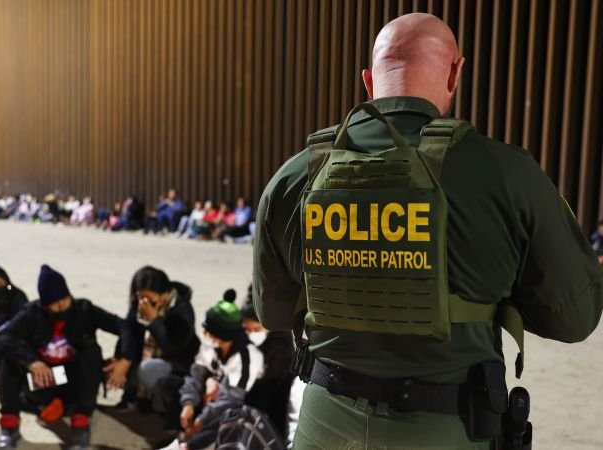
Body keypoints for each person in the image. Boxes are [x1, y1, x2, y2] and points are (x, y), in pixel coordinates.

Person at [253, 13, 603, 449]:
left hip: (323, 423)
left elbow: (272, 313)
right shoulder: (507, 173)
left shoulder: (293, 177)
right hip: (447, 425)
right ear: (456, 72)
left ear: (368, 81)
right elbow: (574, 319)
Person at [0, 265, 123, 450]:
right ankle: (9, 427)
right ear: (45, 305)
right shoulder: (32, 313)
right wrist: (31, 361)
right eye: (55, 303)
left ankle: (80, 427)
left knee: (91, 352)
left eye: (64, 299)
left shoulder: (83, 309)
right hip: (44, 381)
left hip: (75, 381)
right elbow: (2, 338)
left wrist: (123, 359)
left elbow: (123, 326)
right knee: (9, 359)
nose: (61, 305)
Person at [159, 291, 264, 450]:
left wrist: (200, 421)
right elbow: (195, 374)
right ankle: (183, 435)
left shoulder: (247, 357)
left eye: (209, 332)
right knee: (172, 385)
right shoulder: (211, 345)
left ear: (223, 335)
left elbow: (231, 400)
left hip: (233, 409)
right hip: (210, 400)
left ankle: (189, 445)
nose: (205, 335)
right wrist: (188, 404)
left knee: (228, 412)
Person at [106, 266, 200, 412]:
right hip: (145, 359)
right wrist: (122, 359)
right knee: (113, 364)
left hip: (175, 367)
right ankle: (133, 398)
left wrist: (154, 322)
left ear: (164, 294)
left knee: (148, 370)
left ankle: (160, 405)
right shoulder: (139, 303)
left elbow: (175, 348)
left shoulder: (182, 309)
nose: (144, 303)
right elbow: (128, 333)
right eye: (140, 297)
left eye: (150, 299)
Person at [241, 285, 295, 441]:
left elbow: (272, 382)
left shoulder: (281, 344)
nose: (250, 333)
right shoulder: (248, 320)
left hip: (272, 400)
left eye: (255, 329)